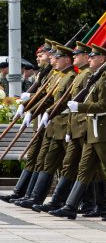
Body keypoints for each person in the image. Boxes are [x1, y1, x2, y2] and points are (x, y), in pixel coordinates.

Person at [52, 44, 106, 220]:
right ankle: (71, 206)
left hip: (103, 130)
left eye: (94, 57)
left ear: (102, 59)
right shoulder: (96, 78)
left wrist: (79, 106)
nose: (90, 58)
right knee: (84, 170)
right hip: (92, 131)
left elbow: (103, 106)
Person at [15, 44, 77, 210]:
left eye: (56, 58)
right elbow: (47, 98)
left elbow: (63, 102)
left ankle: (82, 202)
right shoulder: (59, 76)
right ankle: (35, 197)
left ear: (66, 59)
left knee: (73, 165)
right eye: (53, 57)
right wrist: (29, 108)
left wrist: (42, 111)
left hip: (65, 125)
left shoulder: (71, 76)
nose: (53, 60)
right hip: (53, 124)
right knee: (47, 161)